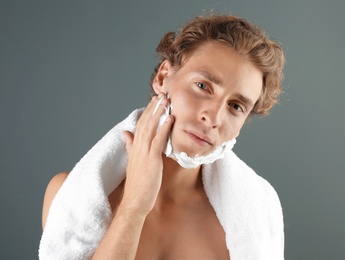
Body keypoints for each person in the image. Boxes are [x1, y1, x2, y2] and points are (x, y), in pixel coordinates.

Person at [41, 14, 285, 259]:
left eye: (235, 106)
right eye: (202, 86)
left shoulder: (257, 213)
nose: (213, 118)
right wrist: (133, 206)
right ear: (163, 76)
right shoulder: (68, 196)